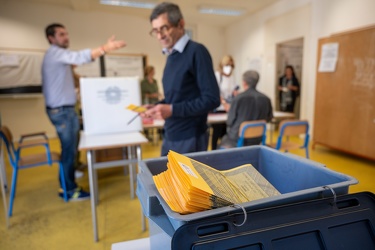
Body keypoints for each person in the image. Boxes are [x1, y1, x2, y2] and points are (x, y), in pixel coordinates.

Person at [42, 23, 126, 200]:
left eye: (66, 33)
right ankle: (68, 189)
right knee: (68, 151)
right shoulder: (56, 53)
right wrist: (105, 48)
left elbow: (71, 76)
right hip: (62, 112)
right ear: (51, 38)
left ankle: (70, 178)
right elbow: (80, 57)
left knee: (70, 149)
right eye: (61, 34)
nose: (66, 37)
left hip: (65, 110)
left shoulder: (58, 58)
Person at [143, 2, 220, 156]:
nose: (160, 36)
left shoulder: (197, 52)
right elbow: (176, 98)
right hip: (171, 134)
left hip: (190, 138)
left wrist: (171, 110)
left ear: (181, 24)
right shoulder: (171, 56)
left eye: (164, 28)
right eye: (155, 31)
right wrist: (156, 107)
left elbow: (212, 99)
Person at [220, 70, 273, 148]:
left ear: (244, 82)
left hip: (237, 139)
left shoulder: (238, 98)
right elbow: (269, 118)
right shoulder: (266, 99)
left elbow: (229, 122)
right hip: (257, 139)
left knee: (221, 140)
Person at [211, 55, 239, 150]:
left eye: (231, 66)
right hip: (219, 108)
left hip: (229, 109)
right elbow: (215, 92)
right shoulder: (217, 75)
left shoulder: (232, 77)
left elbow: (234, 90)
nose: (229, 68)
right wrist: (224, 103)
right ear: (222, 65)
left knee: (225, 133)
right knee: (217, 132)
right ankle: (213, 151)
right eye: (227, 65)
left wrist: (236, 94)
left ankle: (222, 151)